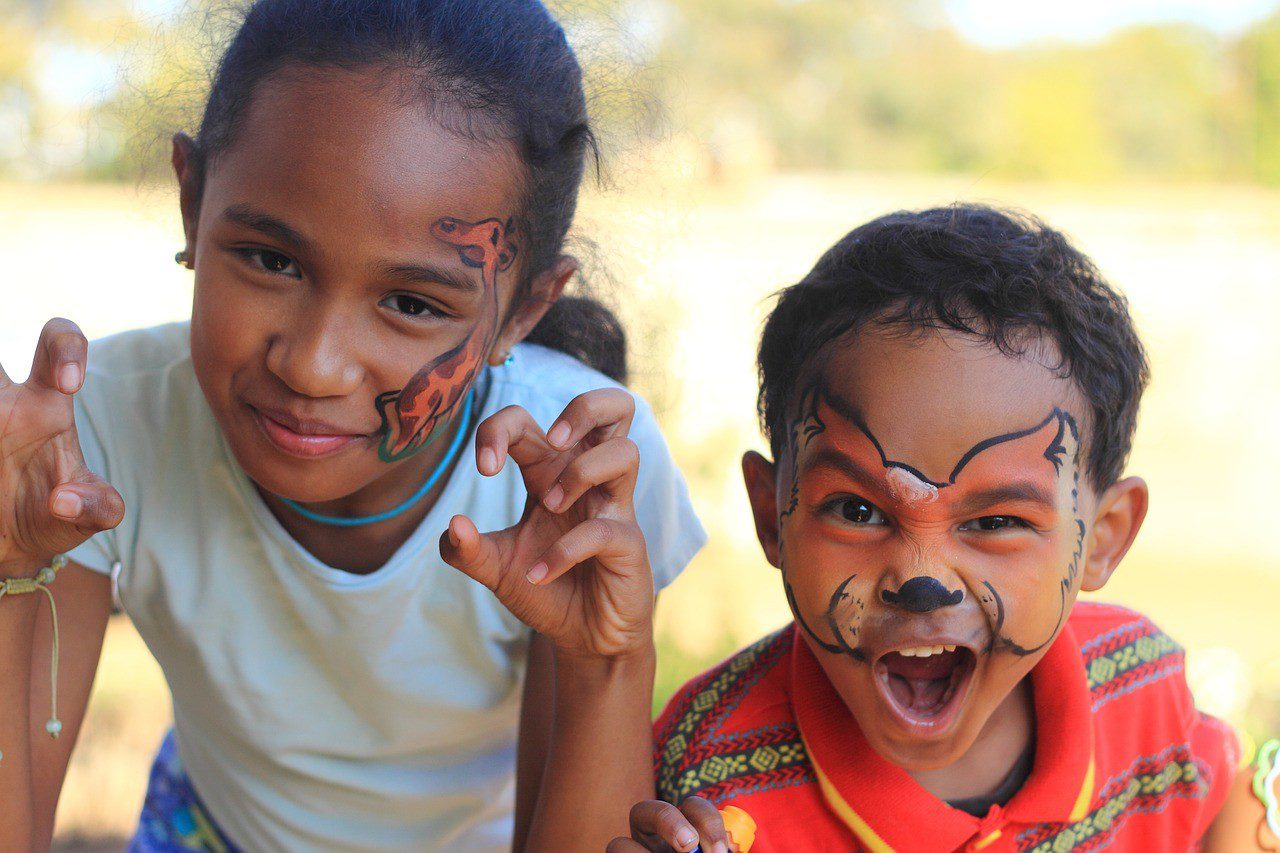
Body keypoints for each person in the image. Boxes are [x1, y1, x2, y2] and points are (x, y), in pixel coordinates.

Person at [0, 1, 705, 849]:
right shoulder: (97, 432)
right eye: (271, 259)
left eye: (411, 303)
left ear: (523, 311)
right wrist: (8, 564)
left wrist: (605, 660)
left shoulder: (577, 477)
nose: (312, 365)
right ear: (193, 202)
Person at [609, 205, 1274, 852]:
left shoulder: (1144, 692)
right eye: (858, 510)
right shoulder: (707, 784)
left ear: (1101, 538)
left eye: (996, 521)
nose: (922, 580)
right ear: (769, 513)